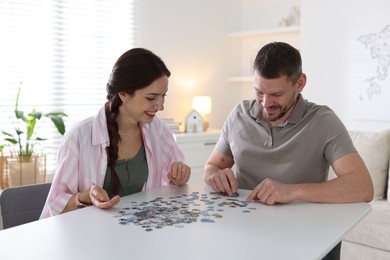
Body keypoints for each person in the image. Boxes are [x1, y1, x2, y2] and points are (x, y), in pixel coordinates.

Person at [204, 42, 374, 259]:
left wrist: (292, 191)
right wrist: (215, 177)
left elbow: (362, 186)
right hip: (243, 233)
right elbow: (213, 166)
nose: (266, 103)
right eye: (259, 92)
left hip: (305, 235)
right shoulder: (238, 115)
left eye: (276, 94)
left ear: (300, 83)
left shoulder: (323, 121)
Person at [41, 48, 191, 218]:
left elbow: (172, 184)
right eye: (151, 98)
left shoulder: (159, 131)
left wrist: (180, 177)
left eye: (164, 96)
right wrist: (84, 197)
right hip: (89, 236)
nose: (160, 106)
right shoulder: (79, 137)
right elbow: (55, 207)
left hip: (142, 232)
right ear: (123, 93)